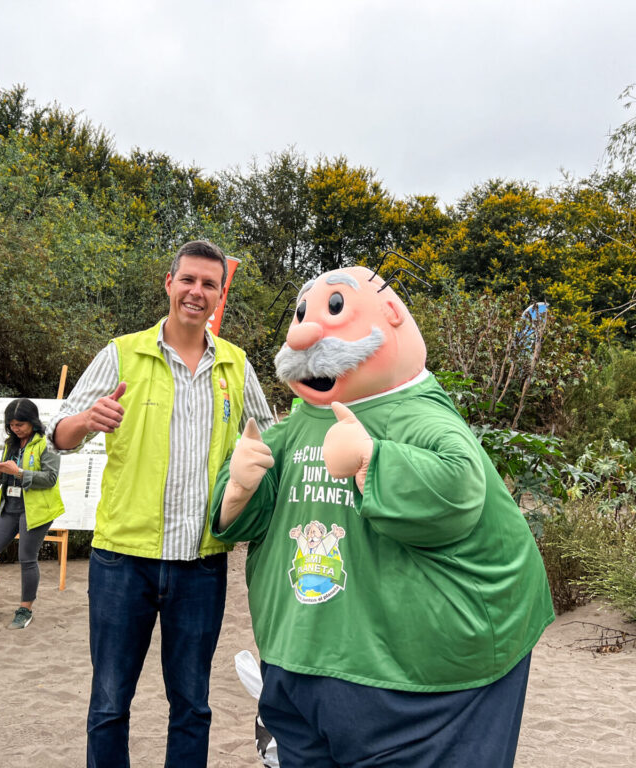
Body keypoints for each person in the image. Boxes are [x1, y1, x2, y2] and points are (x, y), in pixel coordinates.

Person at [212, 266, 554, 767]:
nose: (306, 331)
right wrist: (240, 486)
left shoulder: (422, 415)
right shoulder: (295, 424)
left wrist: (375, 459)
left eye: (333, 308)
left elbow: (458, 493)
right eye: (303, 313)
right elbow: (243, 521)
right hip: (299, 659)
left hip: (419, 687)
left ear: (391, 315)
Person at [48, 240, 274, 768]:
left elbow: (272, 440)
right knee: (108, 703)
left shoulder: (236, 367)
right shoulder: (122, 353)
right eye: (188, 280)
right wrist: (87, 420)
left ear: (221, 295)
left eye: (209, 285)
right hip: (121, 561)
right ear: (168, 284)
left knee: (192, 705)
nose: (197, 292)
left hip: (201, 565)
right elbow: (58, 434)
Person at [0, 398, 64, 630]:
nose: (16, 429)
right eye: (12, 425)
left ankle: (25, 609)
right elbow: (5, 478)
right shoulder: (12, 443)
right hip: (9, 507)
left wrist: (19, 472)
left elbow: (50, 478)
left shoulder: (46, 443)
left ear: (33, 422)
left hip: (36, 510)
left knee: (27, 559)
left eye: (20, 425)